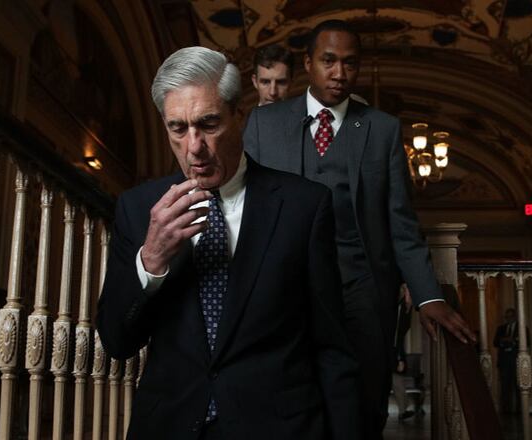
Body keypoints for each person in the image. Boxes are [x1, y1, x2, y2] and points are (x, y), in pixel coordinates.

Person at [97, 46, 360, 440]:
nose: (194, 148)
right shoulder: (138, 210)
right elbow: (117, 341)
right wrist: (150, 260)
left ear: (241, 115)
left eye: (208, 123)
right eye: (178, 128)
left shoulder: (305, 207)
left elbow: (331, 347)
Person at [243, 19, 475, 438]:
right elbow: (243, 211)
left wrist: (428, 295)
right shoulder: (264, 125)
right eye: (329, 61)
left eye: (350, 64)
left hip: (362, 289)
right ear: (309, 63)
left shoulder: (381, 129)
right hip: (285, 289)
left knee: (365, 404)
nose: (339, 73)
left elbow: (400, 222)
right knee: (289, 402)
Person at [493, 308, 525, 414]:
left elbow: (526, 341)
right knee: (505, 388)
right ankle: (506, 411)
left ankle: (519, 411)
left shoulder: (522, 328)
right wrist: (503, 341)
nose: (508, 319)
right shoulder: (501, 329)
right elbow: (495, 342)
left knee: (518, 387)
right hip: (504, 362)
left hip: (517, 362)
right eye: (507, 317)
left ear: (515, 317)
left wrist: (514, 341)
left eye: (510, 316)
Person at [391, 285, 415, 421]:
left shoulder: (402, 307)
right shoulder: (394, 307)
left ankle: (403, 410)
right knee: (397, 381)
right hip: (391, 350)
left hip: (395, 349)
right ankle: (403, 409)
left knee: (397, 381)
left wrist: (408, 305)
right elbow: (396, 335)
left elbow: (402, 331)